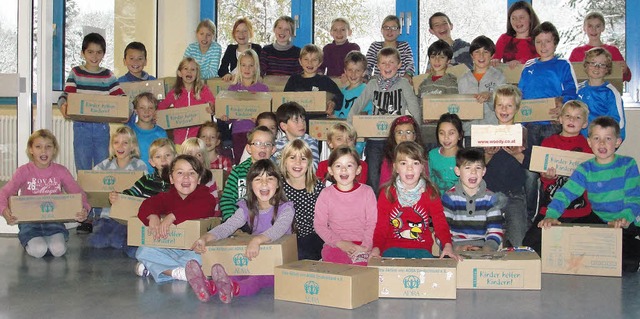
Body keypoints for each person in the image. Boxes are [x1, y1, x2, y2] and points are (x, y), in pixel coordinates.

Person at [538, 116, 640, 272]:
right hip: (603, 223)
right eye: (597, 138)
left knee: (629, 264)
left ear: (617, 142)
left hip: (629, 220)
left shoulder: (628, 164)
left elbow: (634, 198)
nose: (602, 143)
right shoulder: (585, 169)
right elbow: (565, 193)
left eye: (608, 138)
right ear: (589, 142)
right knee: (617, 262)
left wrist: (624, 219)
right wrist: (551, 215)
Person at [186, 159, 294, 303]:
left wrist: (257, 239)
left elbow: (278, 229)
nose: (264, 183)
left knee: (256, 278)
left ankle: (234, 289)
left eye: (270, 178)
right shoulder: (247, 208)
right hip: (255, 256)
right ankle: (209, 287)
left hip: (276, 264)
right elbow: (228, 226)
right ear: (250, 184)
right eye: (258, 179)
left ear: (278, 184)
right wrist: (205, 237)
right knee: (234, 271)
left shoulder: (286, 208)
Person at [0, 130, 90, 258]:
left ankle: (46, 242)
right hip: (29, 222)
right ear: (31, 150)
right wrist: (4, 210)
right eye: (38, 147)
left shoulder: (61, 171)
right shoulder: (24, 171)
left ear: (54, 150)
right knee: (39, 250)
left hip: (53, 220)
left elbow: (78, 193)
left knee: (58, 250)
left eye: (48, 146)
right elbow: (4, 192)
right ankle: (33, 242)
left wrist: (84, 209)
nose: (44, 151)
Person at [522, 101, 594, 254]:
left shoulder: (589, 146)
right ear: (560, 119)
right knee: (529, 245)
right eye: (567, 116)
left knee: (584, 248)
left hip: (580, 210)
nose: (572, 120)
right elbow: (544, 180)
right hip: (550, 206)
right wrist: (547, 177)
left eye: (577, 117)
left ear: (585, 123)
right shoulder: (549, 143)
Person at [347, 47, 421, 192]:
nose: (387, 66)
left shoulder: (403, 84)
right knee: (373, 174)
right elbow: (358, 104)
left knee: (397, 174)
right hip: (375, 138)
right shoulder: (373, 85)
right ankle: (375, 206)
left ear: (399, 65)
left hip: (398, 139)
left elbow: (414, 107)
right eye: (383, 63)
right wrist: (349, 128)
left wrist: (416, 132)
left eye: (391, 62)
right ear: (378, 65)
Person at [134, 155, 218, 282]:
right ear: (171, 179)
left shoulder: (206, 197)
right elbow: (147, 204)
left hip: (195, 250)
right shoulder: (167, 197)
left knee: (206, 257)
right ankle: (179, 272)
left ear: (199, 179)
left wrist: (172, 217)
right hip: (170, 249)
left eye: (191, 173)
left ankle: (158, 269)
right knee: (142, 251)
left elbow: (200, 208)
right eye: (180, 173)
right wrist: (152, 216)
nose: (186, 177)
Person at [371, 141, 459, 260]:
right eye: (403, 163)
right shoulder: (387, 193)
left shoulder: (430, 192)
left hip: (421, 249)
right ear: (395, 167)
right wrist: (376, 248)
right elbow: (381, 226)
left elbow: (440, 222)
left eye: (415, 163)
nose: (410, 168)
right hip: (392, 249)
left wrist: (447, 245)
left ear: (422, 167)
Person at [57, 32, 125, 171]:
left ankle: (101, 193)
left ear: (103, 54)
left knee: (103, 164)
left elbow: (121, 98)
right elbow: (65, 96)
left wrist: (128, 109)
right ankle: (83, 193)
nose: (95, 56)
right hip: (81, 127)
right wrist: (63, 106)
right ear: (83, 53)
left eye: (99, 52)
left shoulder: (108, 75)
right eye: (90, 52)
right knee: (82, 165)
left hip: (102, 127)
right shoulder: (76, 73)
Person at [109, 138, 177, 257]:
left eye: (167, 155)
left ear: (175, 157)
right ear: (151, 162)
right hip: (147, 228)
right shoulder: (146, 180)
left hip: (171, 229)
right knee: (131, 249)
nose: (163, 160)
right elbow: (131, 194)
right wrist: (118, 196)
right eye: (158, 157)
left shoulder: (179, 181)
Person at [483, 84, 531, 247]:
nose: (504, 110)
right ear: (494, 107)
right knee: (486, 240)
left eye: (509, 105)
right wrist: (488, 154)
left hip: (514, 195)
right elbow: (477, 166)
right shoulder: (486, 133)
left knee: (518, 242)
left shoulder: (523, 133)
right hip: (488, 194)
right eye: (500, 105)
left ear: (517, 108)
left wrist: (517, 154)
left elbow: (532, 166)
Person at [314, 146, 377, 265]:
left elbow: (372, 223)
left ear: (358, 170)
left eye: (349, 165)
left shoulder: (367, 192)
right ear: (331, 170)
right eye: (338, 166)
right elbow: (319, 225)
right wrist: (340, 243)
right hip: (336, 244)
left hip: (362, 244)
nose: (344, 170)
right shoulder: (326, 194)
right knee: (334, 260)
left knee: (363, 269)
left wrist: (366, 246)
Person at [86, 126, 147, 242]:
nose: (120, 146)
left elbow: (146, 192)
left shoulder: (139, 166)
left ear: (132, 146)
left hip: (128, 216)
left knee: (117, 240)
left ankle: (124, 237)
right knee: (96, 241)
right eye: (116, 142)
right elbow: (89, 179)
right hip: (107, 215)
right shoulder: (106, 165)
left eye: (125, 143)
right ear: (112, 146)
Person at [442, 148, 505, 252]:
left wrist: (487, 249)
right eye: (467, 168)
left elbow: (495, 231)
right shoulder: (449, 197)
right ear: (457, 171)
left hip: (483, 247)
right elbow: (442, 231)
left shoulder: (490, 198)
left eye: (478, 168)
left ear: (484, 171)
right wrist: (456, 248)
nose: (473, 172)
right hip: (455, 249)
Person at [280, 139, 325, 260]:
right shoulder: (279, 186)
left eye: (303, 159)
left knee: (302, 253)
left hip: (313, 235)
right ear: (284, 162)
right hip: (286, 235)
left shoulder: (317, 186)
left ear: (309, 163)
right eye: (292, 158)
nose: (298, 163)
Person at [219, 126, 276, 221]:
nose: (263, 147)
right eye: (257, 143)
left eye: (267, 144)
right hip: (240, 223)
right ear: (249, 148)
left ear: (273, 149)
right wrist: (232, 222)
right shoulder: (238, 171)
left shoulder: (277, 173)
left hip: (268, 222)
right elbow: (227, 200)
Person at [458, 35, 506, 146]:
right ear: (471, 56)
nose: (481, 56)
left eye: (485, 52)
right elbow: (460, 107)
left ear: (492, 55)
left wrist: (490, 96)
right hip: (470, 132)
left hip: (493, 130)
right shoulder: (463, 79)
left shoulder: (499, 77)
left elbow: (505, 103)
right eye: (477, 52)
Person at [158, 57, 215, 144]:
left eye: (193, 69)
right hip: (179, 139)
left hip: (198, 139)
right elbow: (161, 107)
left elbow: (213, 104)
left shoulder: (203, 90)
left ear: (197, 74)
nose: (189, 72)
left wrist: (212, 109)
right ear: (180, 73)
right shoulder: (174, 93)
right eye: (186, 69)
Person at [577, 47, 626, 141]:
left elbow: (619, 123)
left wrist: (613, 141)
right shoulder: (577, 90)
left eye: (602, 65)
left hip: (601, 141)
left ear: (607, 69)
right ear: (586, 66)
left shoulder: (611, 93)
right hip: (579, 142)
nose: (597, 67)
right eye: (593, 63)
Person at [568, 11, 631, 82]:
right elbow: (567, 77)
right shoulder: (577, 52)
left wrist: (625, 70)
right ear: (584, 28)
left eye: (597, 26)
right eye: (590, 26)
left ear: (603, 28)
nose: (593, 30)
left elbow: (627, 77)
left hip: (607, 92)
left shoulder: (613, 51)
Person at [284, 44, 344, 116]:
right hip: (296, 120)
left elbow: (339, 96)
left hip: (318, 121)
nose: (310, 63)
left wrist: (333, 103)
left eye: (314, 60)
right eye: (306, 59)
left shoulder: (325, 81)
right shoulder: (294, 79)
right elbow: (285, 99)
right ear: (300, 61)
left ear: (320, 63)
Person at [379, 115, 427, 190]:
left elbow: (426, 182)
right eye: (399, 132)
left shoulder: (422, 158)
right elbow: (384, 187)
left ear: (414, 136)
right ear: (393, 136)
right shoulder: (388, 160)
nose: (403, 137)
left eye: (408, 132)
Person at [364, 15, 415, 82]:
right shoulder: (375, 46)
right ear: (381, 30)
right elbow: (368, 65)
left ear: (399, 31)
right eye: (386, 28)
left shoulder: (404, 46)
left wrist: (408, 75)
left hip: (399, 84)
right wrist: (365, 77)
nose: (390, 31)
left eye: (394, 28)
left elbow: (410, 64)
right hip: (379, 84)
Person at [127, 92, 167, 174]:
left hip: (154, 178)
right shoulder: (128, 131)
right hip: (132, 176)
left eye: (150, 108)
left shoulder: (161, 134)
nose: (146, 111)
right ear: (135, 111)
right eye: (142, 108)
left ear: (155, 111)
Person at [491, 1, 540, 67]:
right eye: (513, 18)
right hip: (509, 76)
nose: (517, 21)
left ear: (530, 18)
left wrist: (520, 62)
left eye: (521, 17)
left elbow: (542, 61)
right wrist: (495, 61)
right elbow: (495, 58)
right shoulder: (504, 39)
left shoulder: (539, 39)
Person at [180, 137, 221, 217]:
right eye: (189, 154)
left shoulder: (208, 177)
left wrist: (214, 220)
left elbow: (214, 202)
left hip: (204, 217)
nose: (194, 158)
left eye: (199, 155)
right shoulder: (178, 177)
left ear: (204, 158)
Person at [272, 102, 320, 168]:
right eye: (296, 120)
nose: (302, 124)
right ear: (284, 126)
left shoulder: (310, 142)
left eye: (303, 120)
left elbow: (314, 168)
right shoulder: (277, 145)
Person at [428, 113, 463, 195]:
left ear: (460, 135)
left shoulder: (466, 157)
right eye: (442, 133)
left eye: (451, 133)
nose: (446, 138)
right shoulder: (432, 155)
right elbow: (428, 180)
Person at [334, 51, 371, 120]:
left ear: (364, 73)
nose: (353, 74)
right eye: (350, 70)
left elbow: (366, 114)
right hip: (341, 128)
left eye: (357, 71)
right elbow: (336, 114)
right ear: (345, 71)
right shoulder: (341, 93)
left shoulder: (367, 91)